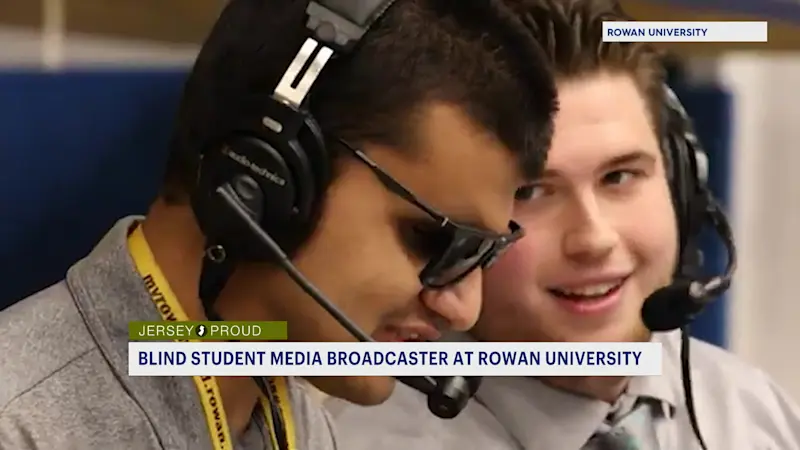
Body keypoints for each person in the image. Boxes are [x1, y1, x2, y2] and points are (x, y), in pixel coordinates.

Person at [0, 1, 558, 449]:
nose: (464, 307)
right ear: (266, 174)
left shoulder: (293, 421)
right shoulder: (21, 425)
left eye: (482, 255)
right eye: (434, 239)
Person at [327, 0, 800, 449]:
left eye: (619, 177)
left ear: (681, 183)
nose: (593, 239)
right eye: (532, 193)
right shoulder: (351, 438)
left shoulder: (756, 415)